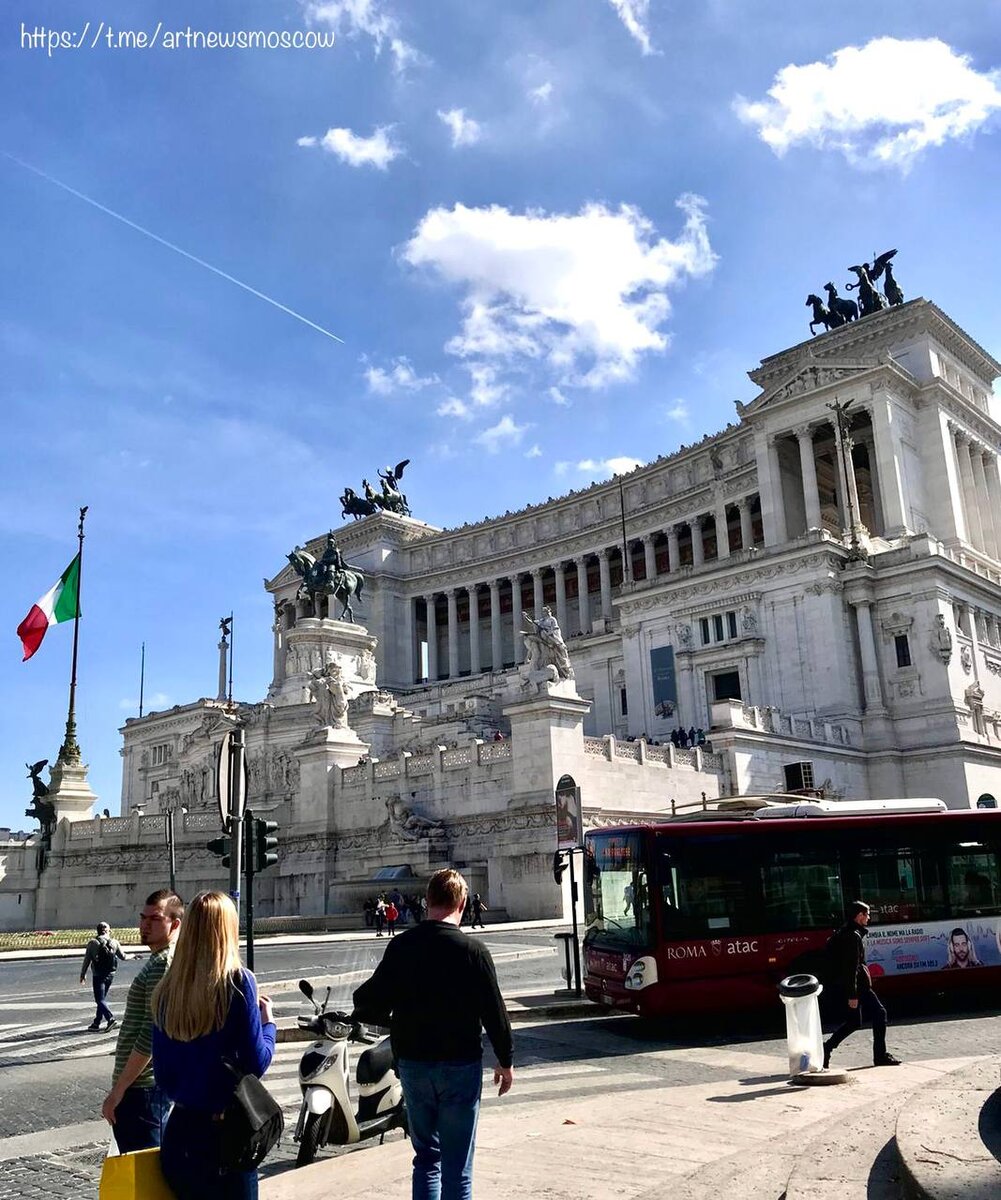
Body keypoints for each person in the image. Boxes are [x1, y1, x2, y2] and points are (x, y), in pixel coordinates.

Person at [353, 869, 514, 1200]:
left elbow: (366, 1002)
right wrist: (505, 1059)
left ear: (427, 902)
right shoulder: (473, 951)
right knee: (458, 1166)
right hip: (460, 1066)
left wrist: (395, 1022)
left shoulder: (402, 946)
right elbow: (494, 1012)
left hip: (414, 1064)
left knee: (426, 1159)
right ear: (463, 903)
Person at [152, 891, 276, 1199]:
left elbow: (164, 1076)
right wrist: (268, 1025)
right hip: (225, 1137)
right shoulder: (237, 983)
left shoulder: (167, 990)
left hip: (179, 1135)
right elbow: (255, 1063)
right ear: (228, 930)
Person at [101, 889, 184, 1152]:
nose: (145, 925)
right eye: (143, 918)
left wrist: (118, 1091)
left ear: (175, 924)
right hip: (142, 1089)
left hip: (143, 1089)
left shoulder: (163, 963)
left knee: (147, 1178)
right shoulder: (159, 960)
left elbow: (151, 1033)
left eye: (155, 919)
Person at [823, 901, 902, 1069]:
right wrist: (852, 994)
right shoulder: (852, 936)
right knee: (880, 1013)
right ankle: (880, 1056)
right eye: (867, 915)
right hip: (858, 987)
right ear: (859, 916)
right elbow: (850, 968)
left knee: (854, 1022)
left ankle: (827, 1047)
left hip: (852, 986)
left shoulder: (846, 932)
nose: (869, 918)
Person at [80, 920, 126, 1032]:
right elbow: (123, 956)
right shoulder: (114, 942)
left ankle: (110, 1019)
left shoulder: (92, 943)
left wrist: (83, 974)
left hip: (98, 974)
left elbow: (87, 960)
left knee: (99, 999)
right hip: (110, 974)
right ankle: (96, 1022)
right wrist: (133, 956)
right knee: (102, 999)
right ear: (108, 930)